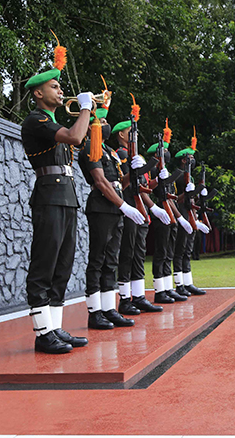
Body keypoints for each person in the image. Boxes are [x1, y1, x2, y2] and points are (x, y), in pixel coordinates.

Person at [20, 35, 90, 353]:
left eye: (61, 88)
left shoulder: (53, 123)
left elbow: (84, 142)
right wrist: (86, 109)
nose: (61, 92)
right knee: (44, 264)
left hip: (66, 196)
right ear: (38, 92)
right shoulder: (37, 121)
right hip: (48, 195)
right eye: (54, 87)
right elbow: (76, 137)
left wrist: (94, 118)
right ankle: (41, 333)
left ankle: (55, 327)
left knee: (63, 264)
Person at [77, 108, 149, 329]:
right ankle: (94, 312)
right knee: (97, 260)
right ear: (91, 126)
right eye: (103, 120)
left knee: (111, 261)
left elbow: (121, 183)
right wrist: (124, 205)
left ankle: (109, 308)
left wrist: (135, 171)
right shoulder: (90, 147)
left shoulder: (111, 151)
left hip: (115, 207)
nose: (107, 124)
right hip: (101, 206)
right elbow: (99, 182)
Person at [111, 118, 168, 314]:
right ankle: (125, 299)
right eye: (130, 132)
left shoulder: (137, 157)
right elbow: (125, 184)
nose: (133, 135)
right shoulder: (121, 155)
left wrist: (157, 180)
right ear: (121, 135)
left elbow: (145, 187)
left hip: (141, 211)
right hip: (130, 209)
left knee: (138, 254)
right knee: (127, 254)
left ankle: (139, 296)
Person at [146, 137, 191, 304]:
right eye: (163, 151)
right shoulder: (154, 173)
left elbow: (171, 198)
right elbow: (158, 194)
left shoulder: (165, 172)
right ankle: (160, 291)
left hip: (170, 215)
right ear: (156, 156)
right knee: (161, 253)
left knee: (168, 254)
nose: (166, 153)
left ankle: (167, 288)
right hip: (161, 215)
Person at [172, 137, 210, 296]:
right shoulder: (178, 175)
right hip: (181, 211)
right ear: (183, 160)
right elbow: (175, 197)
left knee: (188, 250)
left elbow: (192, 199)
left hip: (190, 213)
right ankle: (179, 284)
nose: (193, 161)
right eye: (190, 158)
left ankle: (188, 282)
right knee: (180, 250)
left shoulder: (191, 177)